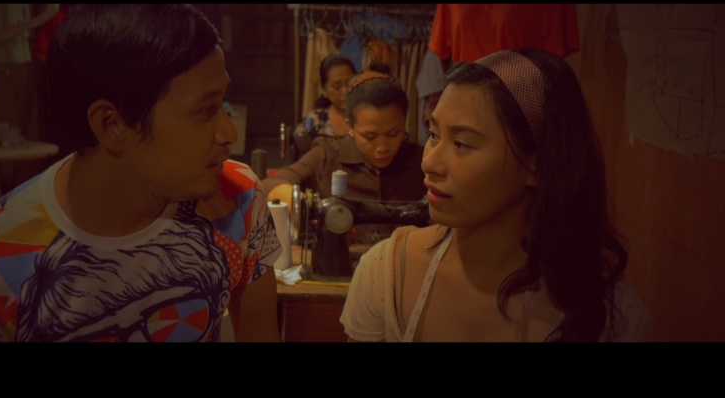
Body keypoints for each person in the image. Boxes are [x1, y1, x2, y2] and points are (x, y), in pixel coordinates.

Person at [0, 4, 282, 343]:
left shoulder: (238, 199)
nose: (229, 133)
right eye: (206, 110)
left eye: (223, 104)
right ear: (111, 124)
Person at [340, 48, 651, 342]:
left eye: (462, 144)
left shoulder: (607, 310)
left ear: (536, 165)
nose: (429, 163)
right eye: (434, 134)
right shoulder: (387, 274)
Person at [264, 70, 427, 248]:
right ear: (350, 126)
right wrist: (308, 208)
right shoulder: (328, 155)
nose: (382, 147)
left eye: (394, 133)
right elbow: (269, 185)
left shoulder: (423, 161)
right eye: (370, 136)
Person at [292, 53, 356, 158]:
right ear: (324, 90)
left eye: (349, 83)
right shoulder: (314, 121)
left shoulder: (366, 116)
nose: (345, 91)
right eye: (337, 86)